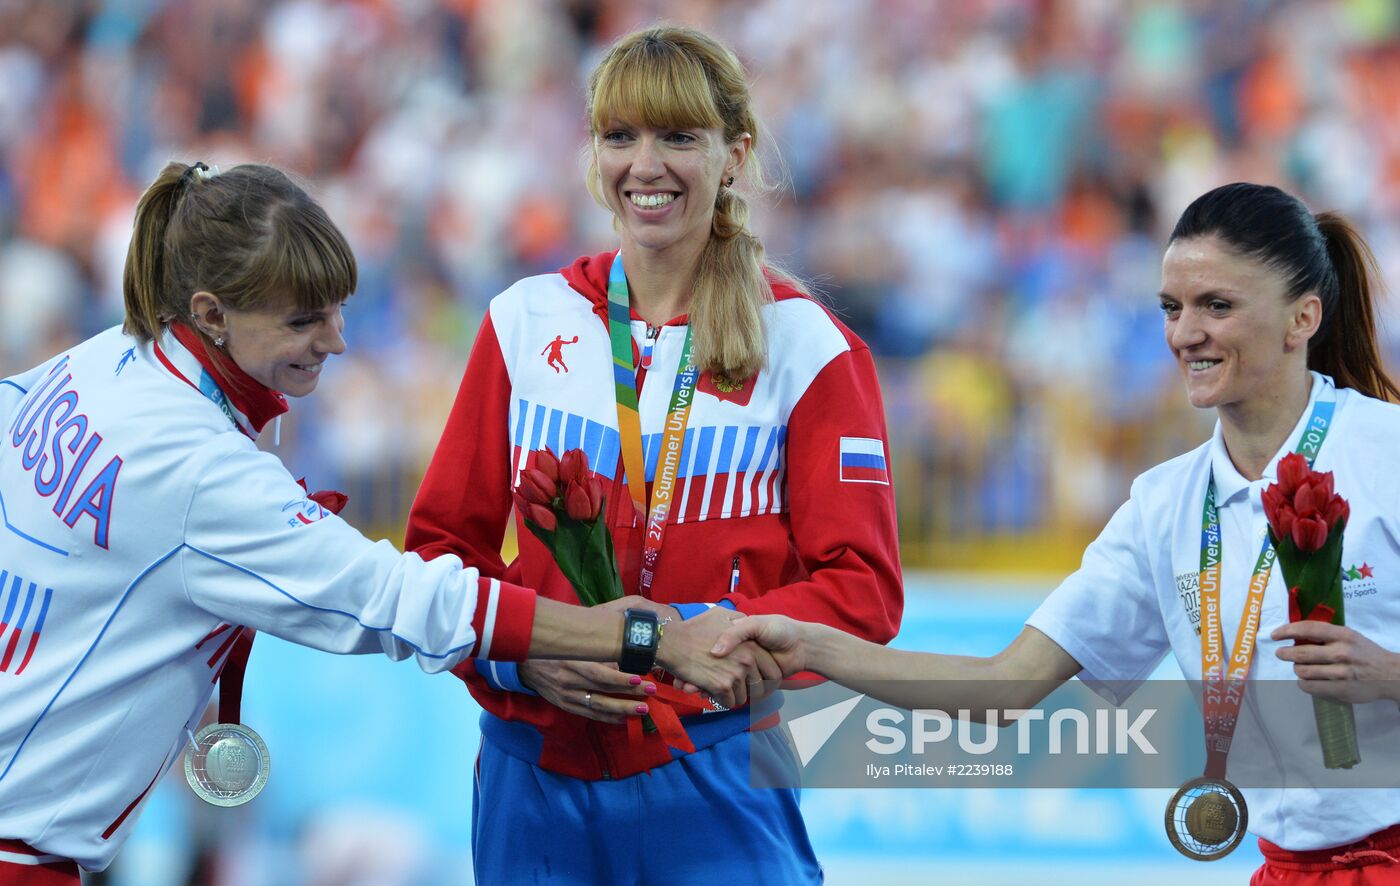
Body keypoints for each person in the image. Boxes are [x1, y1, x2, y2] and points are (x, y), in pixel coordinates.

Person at [0, 161, 762, 884]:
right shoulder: (200, 467)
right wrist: (644, 637)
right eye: (304, 320)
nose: (336, 340)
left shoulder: (98, 363)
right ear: (210, 314)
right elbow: (399, 597)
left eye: (339, 309)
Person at [716, 182, 1400, 883]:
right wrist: (812, 645)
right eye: (1172, 308)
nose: (1184, 334)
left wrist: (1389, 673)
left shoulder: (1387, 451)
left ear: (1302, 318)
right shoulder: (1165, 506)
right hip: (1289, 870)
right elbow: (1004, 688)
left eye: (1217, 306)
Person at [406, 25, 903, 884]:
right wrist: (524, 652)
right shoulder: (524, 321)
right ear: (593, 154)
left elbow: (864, 590)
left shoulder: (808, 347)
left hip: (715, 770)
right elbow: (440, 552)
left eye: (678, 136)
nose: (646, 165)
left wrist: (707, 634)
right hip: (534, 772)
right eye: (619, 136)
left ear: (734, 154)